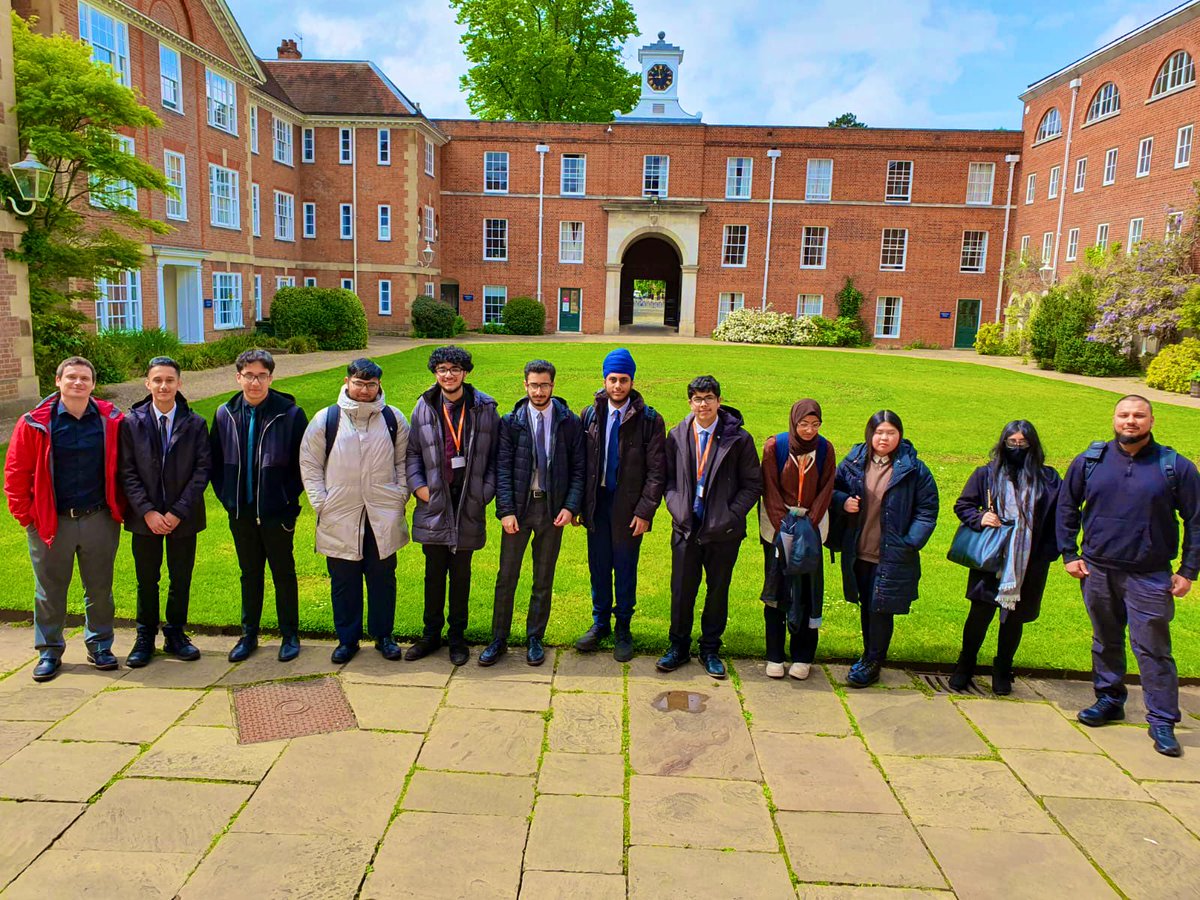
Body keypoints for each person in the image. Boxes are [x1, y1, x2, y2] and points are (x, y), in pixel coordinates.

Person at [1057, 395, 1200, 757]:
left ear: (1152, 421)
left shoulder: (1174, 467)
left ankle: (1163, 720)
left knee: (1152, 649)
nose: (1130, 421)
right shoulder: (1091, 461)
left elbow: (1196, 521)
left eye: (1138, 415)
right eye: (1124, 415)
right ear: (1114, 419)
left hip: (1149, 575)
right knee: (1105, 640)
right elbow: (1066, 506)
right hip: (1098, 568)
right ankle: (1109, 699)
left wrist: (1188, 570)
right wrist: (1069, 553)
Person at [4, 356, 124, 682]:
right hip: (50, 521)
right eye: (70, 377)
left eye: (84, 378)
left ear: (93, 384)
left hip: (99, 517)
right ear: (57, 382)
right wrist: (26, 518)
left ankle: (99, 645)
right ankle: (49, 651)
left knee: (99, 588)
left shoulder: (111, 420)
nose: (77, 383)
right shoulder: (34, 423)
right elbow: (15, 475)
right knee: (50, 590)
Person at [300, 358, 411, 664]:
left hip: (382, 515)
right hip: (339, 514)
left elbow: (404, 462)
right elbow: (310, 464)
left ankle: (383, 636)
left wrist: (400, 497)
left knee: (382, 579)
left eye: (370, 384)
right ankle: (347, 639)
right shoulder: (327, 419)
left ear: (379, 386)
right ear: (347, 382)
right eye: (359, 383)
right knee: (344, 581)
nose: (364, 390)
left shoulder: (393, 419)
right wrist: (321, 502)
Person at [482, 359, 585, 667]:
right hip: (520, 508)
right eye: (533, 385)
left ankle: (534, 638)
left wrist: (570, 506)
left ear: (553, 386)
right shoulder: (511, 421)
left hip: (552, 510)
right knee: (507, 576)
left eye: (545, 385)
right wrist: (506, 511)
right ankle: (498, 638)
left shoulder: (570, 421)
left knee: (543, 577)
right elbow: (501, 468)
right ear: (524, 385)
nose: (539, 391)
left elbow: (579, 468)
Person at [657, 376, 761, 678]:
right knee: (681, 591)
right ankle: (678, 647)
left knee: (717, 591)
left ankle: (710, 649)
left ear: (719, 400)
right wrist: (677, 510)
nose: (703, 404)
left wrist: (730, 516)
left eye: (709, 398)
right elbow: (669, 480)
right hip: (687, 527)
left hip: (723, 532)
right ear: (690, 402)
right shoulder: (677, 435)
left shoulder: (739, 439)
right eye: (697, 399)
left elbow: (752, 484)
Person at [210, 349, 309, 663]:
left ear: (271, 377)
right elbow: (214, 462)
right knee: (249, 573)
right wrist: (228, 499)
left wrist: (286, 499)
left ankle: (290, 635)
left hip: (276, 512)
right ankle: (248, 634)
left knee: (283, 572)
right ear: (238, 377)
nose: (255, 381)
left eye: (261, 375)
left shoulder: (290, 414)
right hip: (240, 511)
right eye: (249, 375)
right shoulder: (224, 413)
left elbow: (303, 465)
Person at [950, 421, 1061, 694]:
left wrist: (1050, 551)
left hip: (1030, 561)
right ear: (1003, 444)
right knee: (979, 614)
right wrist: (980, 517)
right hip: (992, 557)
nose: (1017, 448)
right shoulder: (986, 474)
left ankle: (1003, 668)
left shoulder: (1048, 479)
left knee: (1014, 617)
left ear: (1033, 446)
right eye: (1012, 442)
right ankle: (965, 664)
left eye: (1023, 443)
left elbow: (1062, 515)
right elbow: (962, 505)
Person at [405, 346, 499, 666]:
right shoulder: (424, 405)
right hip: (434, 502)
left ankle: (457, 637)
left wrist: (483, 493)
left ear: (465, 372)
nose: (448, 374)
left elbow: (497, 457)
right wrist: (419, 488)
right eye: (443, 368)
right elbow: (413, 453)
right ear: (435, 372)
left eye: (455, 369)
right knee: (434, 575)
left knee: (461, 576)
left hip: (468, 502)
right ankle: (430, 635)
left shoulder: (485, 407)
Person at [832, 410, 939, 688]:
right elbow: (831, 489)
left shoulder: (914, 469)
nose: (884, 438)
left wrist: (910, 541)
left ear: (900, 435)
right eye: (879, 432)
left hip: (891, 554)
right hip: (860, 551)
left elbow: (927, 510)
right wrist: (843, 500)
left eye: (890, 432)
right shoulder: (854, 462)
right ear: (870, 433)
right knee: (866, 606)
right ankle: (868, 656)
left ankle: (873, 662)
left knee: (881, 609)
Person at [119, 357, 212, 667]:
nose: (163, 386)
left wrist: (177, 512)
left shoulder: (195, 423)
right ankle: (144, 636)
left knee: (180, 578)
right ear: (147, 384)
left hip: (182, 518)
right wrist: (147, 511)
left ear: (179, 384)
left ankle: (175, 634)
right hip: (144, 519)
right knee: (147, 580)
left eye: (169, 380)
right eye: (157, 380)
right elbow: (127, 471)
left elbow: (202, 471)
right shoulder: (131, 423)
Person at [575, 348, 666, 662]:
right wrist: (578, 505)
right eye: (612, 379)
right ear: (604, 380)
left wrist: (645, 511)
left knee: (625, 568)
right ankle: (600, 622)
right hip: (597, 504)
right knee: (598, 566)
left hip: (628, 508)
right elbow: (580, 464)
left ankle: (623, 627)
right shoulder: (590, 415)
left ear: (632, 381)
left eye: (623, 380)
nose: (617, 386)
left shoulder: (650, 420)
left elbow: (657, 472)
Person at [758, 399, 836, 680]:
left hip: (811, 530)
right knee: (777, 590)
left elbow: (827, 487)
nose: (808, 430)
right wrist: (784, 526)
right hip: (778, 530)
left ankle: (803, 655)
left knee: (807, 590)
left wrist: (808, 523)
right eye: (803, 424)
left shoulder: (825, 449)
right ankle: (775, 655)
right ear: (793, 422)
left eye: (815, 425)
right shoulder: (774, 447)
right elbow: (769, 487)